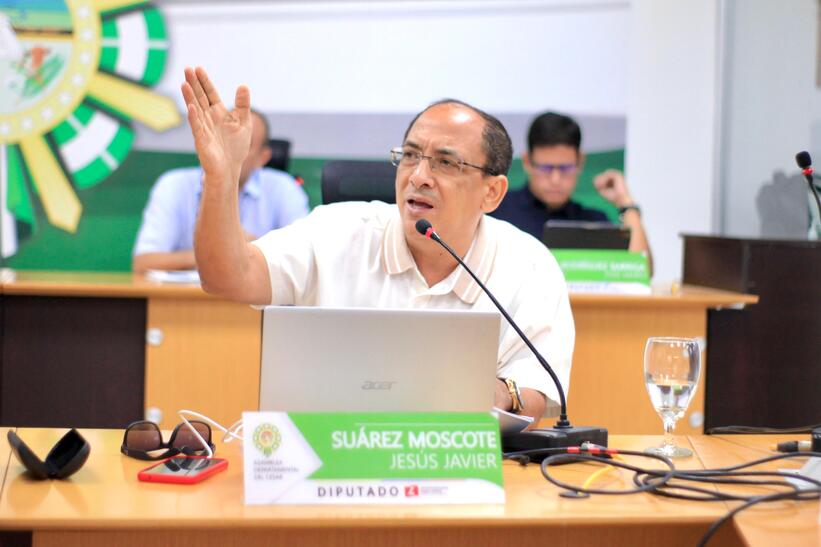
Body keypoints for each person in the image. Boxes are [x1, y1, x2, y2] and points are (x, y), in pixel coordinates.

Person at [181, 66, 575, 422]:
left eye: (445, 162)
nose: (419, 176)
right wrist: (222, 175)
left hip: (463, 468)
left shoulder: (529, 265)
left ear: (492, 192)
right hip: (327, 463)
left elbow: (540, 389)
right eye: (410, 156)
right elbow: (226, 278)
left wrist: (497, 394)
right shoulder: (337, 230)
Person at [132, 110, 309, 273]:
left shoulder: (284, 188)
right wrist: (220, 254)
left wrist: (254, 250)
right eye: (225, 139)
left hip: (256, 303)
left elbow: (304, 260)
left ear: (263, 157)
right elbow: (144, 262)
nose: (231, 150)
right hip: (191, 304)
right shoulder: (174, 185)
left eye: (244, 143)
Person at [492, 112, 652, 269]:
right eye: (545, 168)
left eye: (565, 168)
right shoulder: (497, 212)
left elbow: (639, 271)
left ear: (580, 162)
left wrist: (625, 202)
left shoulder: (592, 222)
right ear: (527, 162)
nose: (555, 179)